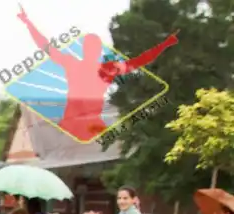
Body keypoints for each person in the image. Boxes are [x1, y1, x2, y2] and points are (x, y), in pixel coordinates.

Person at [17, 5, 178, 142]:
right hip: (73, 123)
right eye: (89, 47)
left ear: (98, 50)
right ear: (85, 50)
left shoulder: (106, 68)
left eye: (94, 47)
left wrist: (165, 44)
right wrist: (28, 23)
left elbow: (138, 61)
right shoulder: (74, 64)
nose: (92, 50)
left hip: (92, 125)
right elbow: (46, 47)